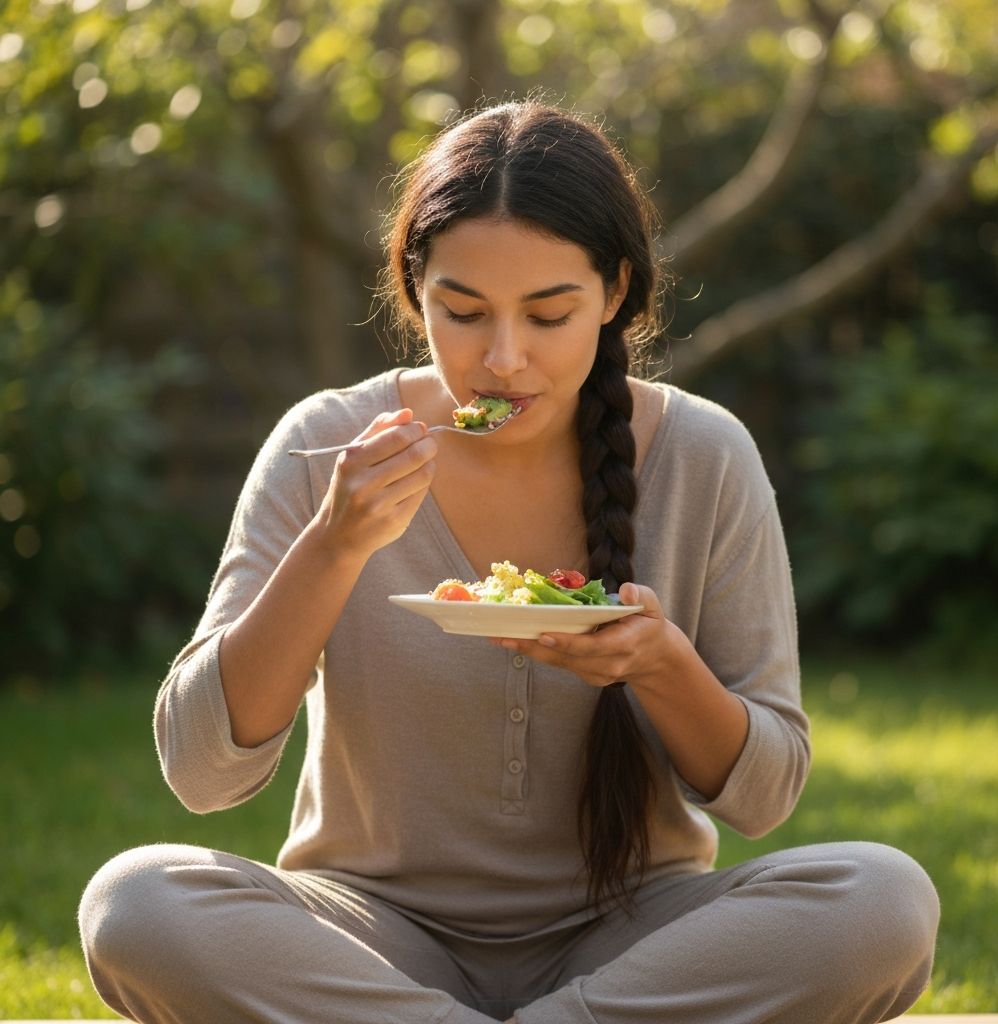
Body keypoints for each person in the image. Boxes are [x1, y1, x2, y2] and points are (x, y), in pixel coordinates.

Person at [78, 99, 939, 1024]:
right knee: (137, 905)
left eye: (549, 314)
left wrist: (660, 662)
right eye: (463, 311)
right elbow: (203, 773)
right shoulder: (330, 443)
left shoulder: (703, 456)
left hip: (634, 940)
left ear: (613, 295)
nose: (503, 359)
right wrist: (333, 546)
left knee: (884, 901)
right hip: (372, 936)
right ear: (415, 292)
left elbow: (765, 798)